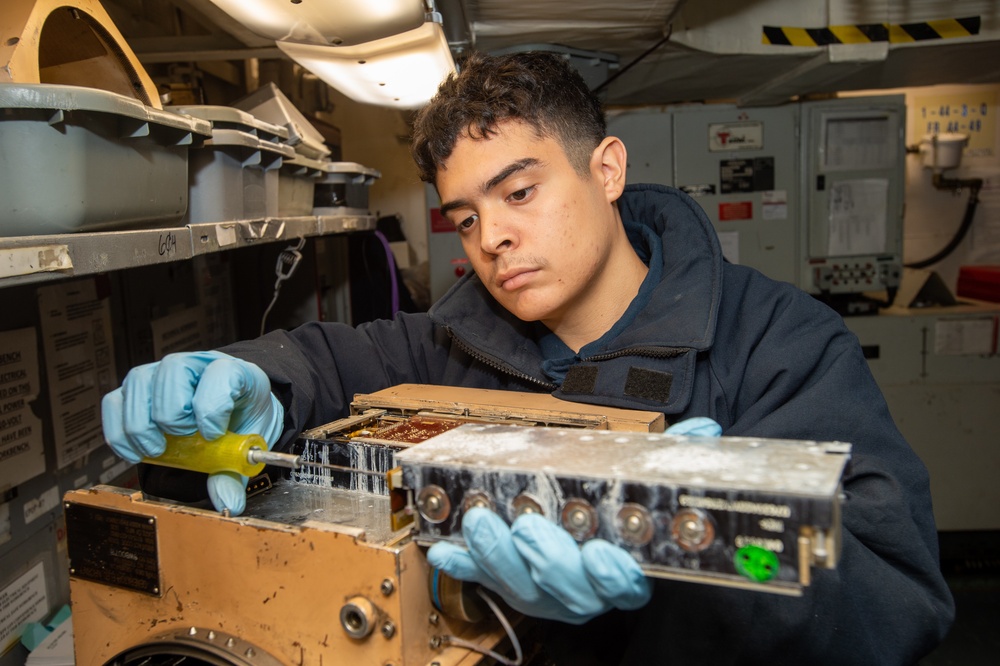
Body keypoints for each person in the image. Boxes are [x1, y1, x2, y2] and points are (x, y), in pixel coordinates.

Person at [103, 51, 954, 664]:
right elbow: (326, 360)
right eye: (465, 218)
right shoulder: (449, 344)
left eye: (519, 192)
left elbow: (895, 608)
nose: (493, 237)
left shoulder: (777, 342)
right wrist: (250, 379)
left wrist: (700, 554)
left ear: (607, 169)